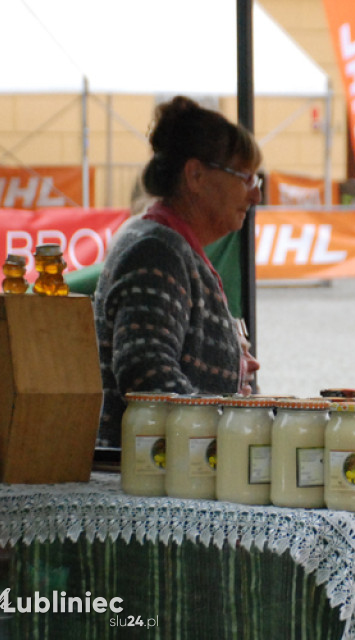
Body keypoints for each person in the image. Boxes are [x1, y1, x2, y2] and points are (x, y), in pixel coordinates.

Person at [93, 96, 262, 446]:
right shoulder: (157, 252)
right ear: (196, 175)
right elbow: (148, 380)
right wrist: (231, 433)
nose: (256, 194)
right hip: (148, 482)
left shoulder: (168, 246)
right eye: (245, 178)